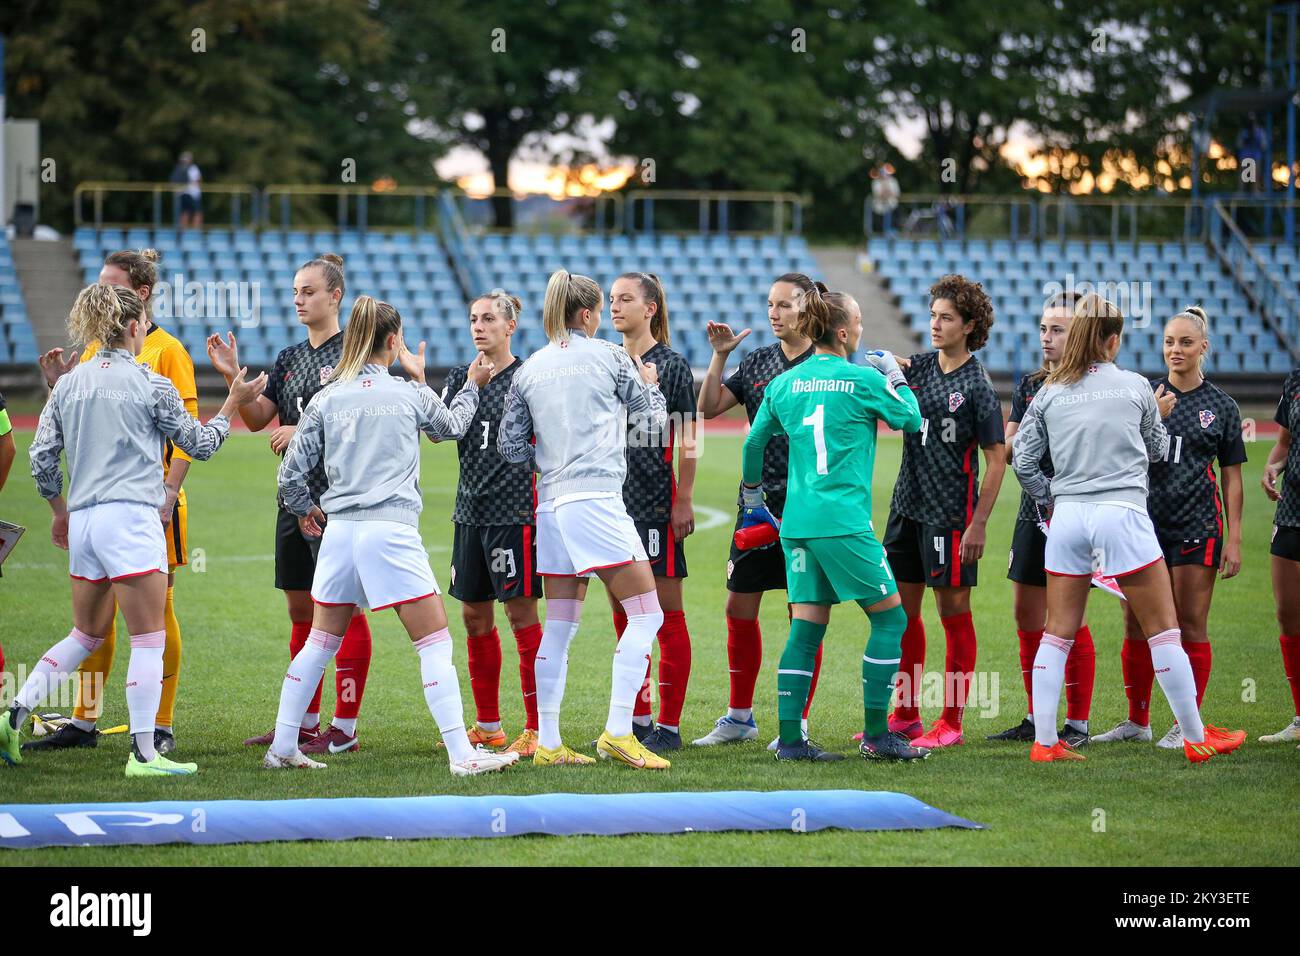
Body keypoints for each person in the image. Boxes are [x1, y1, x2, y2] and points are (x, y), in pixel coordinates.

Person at [3, 283, 263, 774]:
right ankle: (144, 753)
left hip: (84, 521)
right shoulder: (149, 382)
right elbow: (200, 444)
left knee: (84, 634)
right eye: (143, 322)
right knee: (148, 638)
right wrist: (232, 404)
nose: (147, 330)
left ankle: (14, 714)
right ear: (129, 326)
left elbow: (41, 458)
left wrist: (59, 511)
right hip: (131, 519)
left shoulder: (70, 384)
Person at [266, 296, 515, 776]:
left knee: (319, 643)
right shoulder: (408, 393)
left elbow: (290, 475)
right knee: (434, 642)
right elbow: (451, 428)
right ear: (393, 341)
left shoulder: (326, 397)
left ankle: (282, 746)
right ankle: (462, 754)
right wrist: (471, 386)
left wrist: (304, 510)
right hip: (390, 530)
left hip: (338, 532)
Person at [1012, 293, 1246, 763]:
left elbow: (1022, 457)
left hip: (1069, 517)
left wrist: (1049, 497)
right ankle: (1196, 737)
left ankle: (1044, 744)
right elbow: (1158, 450)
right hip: (1123, 513)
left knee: (1056, 632)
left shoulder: (1052, 391)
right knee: (1163, 630)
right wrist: (1155, 418)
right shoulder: (1137, 386)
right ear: (1114, 340)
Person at [742, 285, 929, 762]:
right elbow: (910, 420)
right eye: (860, 322)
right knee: (890, 618)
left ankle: (790, 742)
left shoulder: (784, 383)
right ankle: (875, 735)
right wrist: (893, 374)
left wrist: (752, 500)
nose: (863, 329)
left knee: (805, 628)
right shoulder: (862, 379)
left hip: (796, 523)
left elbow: (752, 445)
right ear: (844, 332)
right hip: (843, 522)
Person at [497, 269, 671, 770]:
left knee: (560, 626)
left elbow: (511, 448)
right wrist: (650, 385)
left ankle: (549, 743)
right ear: (589, 314)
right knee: (647, 614)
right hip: (595, 499)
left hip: (550, 504)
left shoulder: (530, 367)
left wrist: (551, 461)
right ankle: (619, 731)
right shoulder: (612, 356)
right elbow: (654, 424)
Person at [30, 249, 196, 756]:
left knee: (151, 615)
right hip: (120, 509)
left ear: (138, 295)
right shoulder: (97, 356)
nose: (99, 292)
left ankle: (160, 725)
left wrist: (169, 493)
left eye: (110, 283)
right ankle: (88, 719)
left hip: (147, 503)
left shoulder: (167, 351)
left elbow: (185, 437)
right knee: (101, 627)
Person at [207, 254, 373, 755]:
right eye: (296, 291)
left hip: (339, 501)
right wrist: (234, 379)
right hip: (293, 497)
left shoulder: (356, 354)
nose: (298, 300)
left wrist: (303, 429)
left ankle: (344, 730)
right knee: (301, 608)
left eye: (308, 291)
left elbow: (366, 418)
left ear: (335, 296)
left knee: (342, 611)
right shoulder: (289, 357)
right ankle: (304, 722)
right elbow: (260, 418)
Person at [1093, 306, 1246, 748]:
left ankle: (1185, 725)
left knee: (1190, 624)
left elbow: (1232, 476)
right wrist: (1152, 416)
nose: (1175, 350)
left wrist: (1234, 539)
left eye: (1184, 342)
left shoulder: (1222, 406)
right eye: (1168, 343)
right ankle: (1137, 722)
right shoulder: (1142, 394)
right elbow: (1118, 450)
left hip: (1198, 522)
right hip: (1142, 524)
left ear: (1203, 348)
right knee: (1135, 623)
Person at [692, 272, 821, 749]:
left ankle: (797, 721)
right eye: (770, 304)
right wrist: (721, 355)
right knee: (738, 605)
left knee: (802, 613)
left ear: (808, 309)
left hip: (808, 508)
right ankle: (740, 717)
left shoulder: (826, 361)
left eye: (783, 305)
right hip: (757, 507)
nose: (774, 313)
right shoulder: (759, 361)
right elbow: (707, 407)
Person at [883, 274, 1006, 749]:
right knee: (903, 615)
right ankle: (906, 715)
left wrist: (978, 523)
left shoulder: (977, 384)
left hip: (950, 515)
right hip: (906, 508)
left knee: (953, 615)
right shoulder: (918, 370)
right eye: (933, 316)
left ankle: (951, 723)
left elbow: (996, 459)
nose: (935, 324)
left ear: (969, 324)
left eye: (946, 318)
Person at [987, 292, 1096, 747]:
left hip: (1076, 512)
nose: (1047, 338)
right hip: (1033, 514)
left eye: (1058, 330)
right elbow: (1009, 449)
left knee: (1067, 617)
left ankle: (1078, 724)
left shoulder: (1095, 384)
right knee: (1026, 614)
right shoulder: (1032, 385)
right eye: (1044, 329)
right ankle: (1037, 715)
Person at [441, 291, 545, 758]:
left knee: (521, 615)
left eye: (488, 319)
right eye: (473, 319)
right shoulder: (461, 378)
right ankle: (488, 726)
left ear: (510, 327)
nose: (478, 327)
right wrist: (468, 385)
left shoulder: (530, 378)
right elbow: (439, 429)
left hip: (514, 512)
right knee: (472, 615)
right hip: (470, 512)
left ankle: (539, 728)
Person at [607, 272, 697, 753]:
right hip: (610, 504)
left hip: (655, 503)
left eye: (626, 299)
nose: (615, 307)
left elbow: (689, 436)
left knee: (665, 615)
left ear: (651, 309)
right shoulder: (606, 360)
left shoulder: (673, 366)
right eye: (611, 299)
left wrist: (683, 498)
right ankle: (637, 719)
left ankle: (669, 724)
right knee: (625, 615)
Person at [1259, 362, 1300, 746]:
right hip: (1292, 511)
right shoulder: (1296, 378)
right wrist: (1273, 467)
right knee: (1289, 614)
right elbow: (1285, 442)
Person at [171, 152, 203, 230]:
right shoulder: (193, 168)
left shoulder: (178, 168)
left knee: (184, 212)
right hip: (193, 194)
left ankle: (183, 232)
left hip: (182, 193)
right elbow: (198, 179)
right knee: (197, 212)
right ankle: (196, 231)